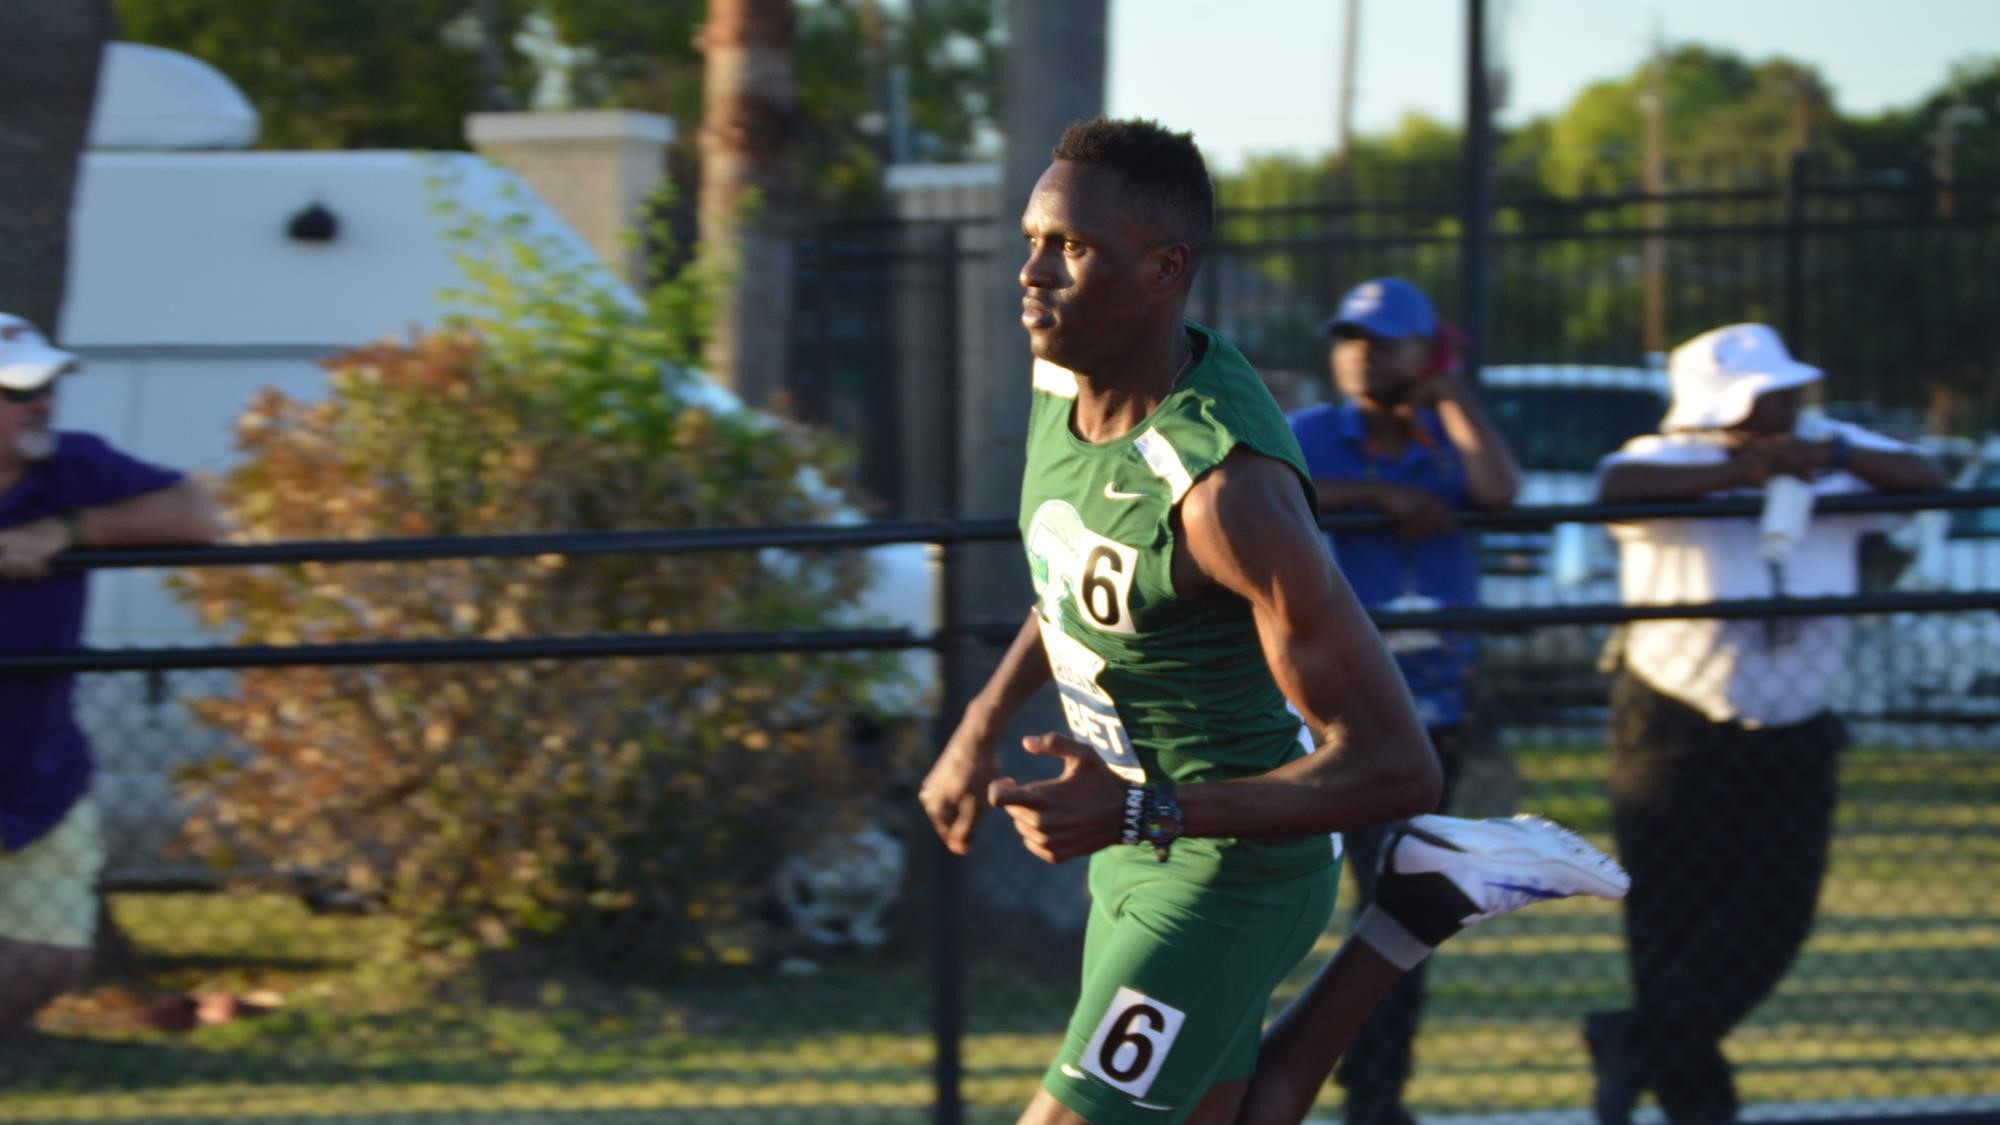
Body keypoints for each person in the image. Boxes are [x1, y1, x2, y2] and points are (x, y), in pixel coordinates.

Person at [917, 117, 1629, 1125]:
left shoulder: (1226, 494)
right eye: (1031, 239)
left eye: (1070, 249)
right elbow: (1073, 572)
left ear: (1165, 268)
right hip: (1126, 842)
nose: (1030, 273)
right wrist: (979, 722)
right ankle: (1416, 909)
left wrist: (1136, 812)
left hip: (1224, 868)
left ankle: (1411, 900)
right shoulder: (1061, 382)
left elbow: (1394, 766)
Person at [1586, 323, 1944, 1125]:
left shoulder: (1830, 445)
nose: (1788, 403)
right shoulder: (1668, 455)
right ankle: (1699, 1105)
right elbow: (1614, 486)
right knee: (1670, 930)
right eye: (1766, 393)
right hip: (1675, 724)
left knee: (1776, 919)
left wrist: (1834, 460)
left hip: (1796, 724)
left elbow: (1926, 476)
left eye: (1789, 388)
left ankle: (1632, 1040)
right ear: (1721, 402)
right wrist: (1739, 471)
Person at [1286, 278, 1522, 1125]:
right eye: (1349, 336)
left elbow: (1499, 491)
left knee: (1407, 905)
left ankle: (1375, 1091)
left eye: (1384, 339)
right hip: (1340, 718)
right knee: (1372, 902)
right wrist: (1378, 496)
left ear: (1429, 349)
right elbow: (1256, 496)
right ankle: (1356, 1089)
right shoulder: (1310, 435)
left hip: (1441, 715)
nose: (1361, 353)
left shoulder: (1447, 438)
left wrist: (1451, 393)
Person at [0, 313, 225, 1039]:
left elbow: (196, 513)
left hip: (36, 770)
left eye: (47, 385)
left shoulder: (73, 468)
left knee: (50, 957)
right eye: (19, 389)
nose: (42, 403)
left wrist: (63, 532)